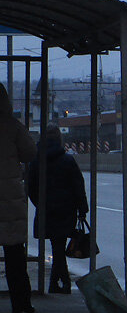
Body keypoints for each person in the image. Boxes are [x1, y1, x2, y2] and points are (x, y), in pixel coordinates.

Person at [28, 125, 89, 294]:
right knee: (59, 245)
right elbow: (78, 186)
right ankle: (63, 282)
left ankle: (57, 283)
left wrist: (40, 203)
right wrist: (82, 208)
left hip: (46, 209)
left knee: (57, 246)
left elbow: (30, 187)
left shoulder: (36, 161)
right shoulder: (68, 160)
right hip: (65, 210)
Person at [0, 84, 37, 313]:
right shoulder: (12, 126)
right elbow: (30, 153)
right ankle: (21, 303)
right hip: (9, 196)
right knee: (15, 255)